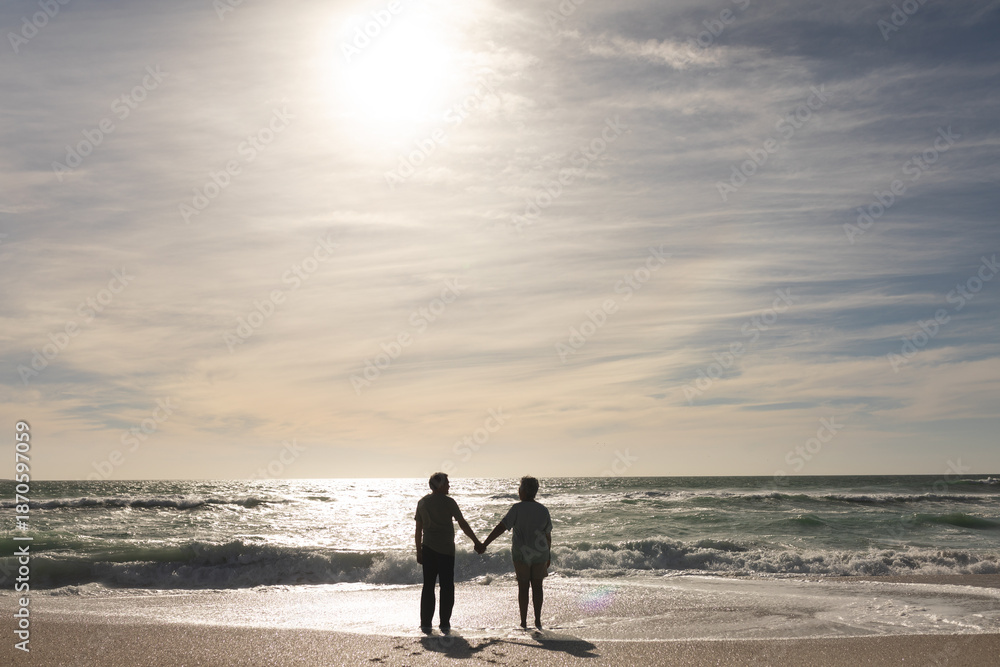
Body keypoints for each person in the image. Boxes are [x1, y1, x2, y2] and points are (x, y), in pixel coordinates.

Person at [477, 475, 552, 629]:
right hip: (540, 554)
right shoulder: (543, 510)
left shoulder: (517, 508)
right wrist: (548, 554)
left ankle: (523, 622)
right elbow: (547, 535)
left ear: (523, 491)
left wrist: (485, 543)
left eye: (520, 488)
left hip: (521, 554)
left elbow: (501, 527)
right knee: (538, 587)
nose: (519, 491)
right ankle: (537, 620)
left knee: (523, 587)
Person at [414, 472, 482, 633]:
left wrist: (418, 551)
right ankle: (444, 623)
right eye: (447, 483)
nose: (449, 485)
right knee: (447, 587)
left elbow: (418, 530)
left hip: (428, 549)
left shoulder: (422, 502)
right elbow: (463, 524)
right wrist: (476, 542)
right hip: (446, 551)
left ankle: (425, 623)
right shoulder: (449, 502)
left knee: (428, 586)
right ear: (440, 485)